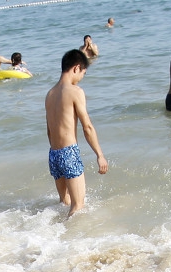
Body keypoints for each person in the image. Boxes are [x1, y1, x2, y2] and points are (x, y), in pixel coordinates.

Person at [45, 49, 107, 218]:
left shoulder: (50, 94)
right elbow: (87, 127)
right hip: (68, 152)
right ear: (76, 68)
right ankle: (67, 238)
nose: (81, 78)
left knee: (64, 202)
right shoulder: (75, 91)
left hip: (54, 154)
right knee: (78, 205)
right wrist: (99, 154)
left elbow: (49, 131)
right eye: (83, 73)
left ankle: (55, 236)